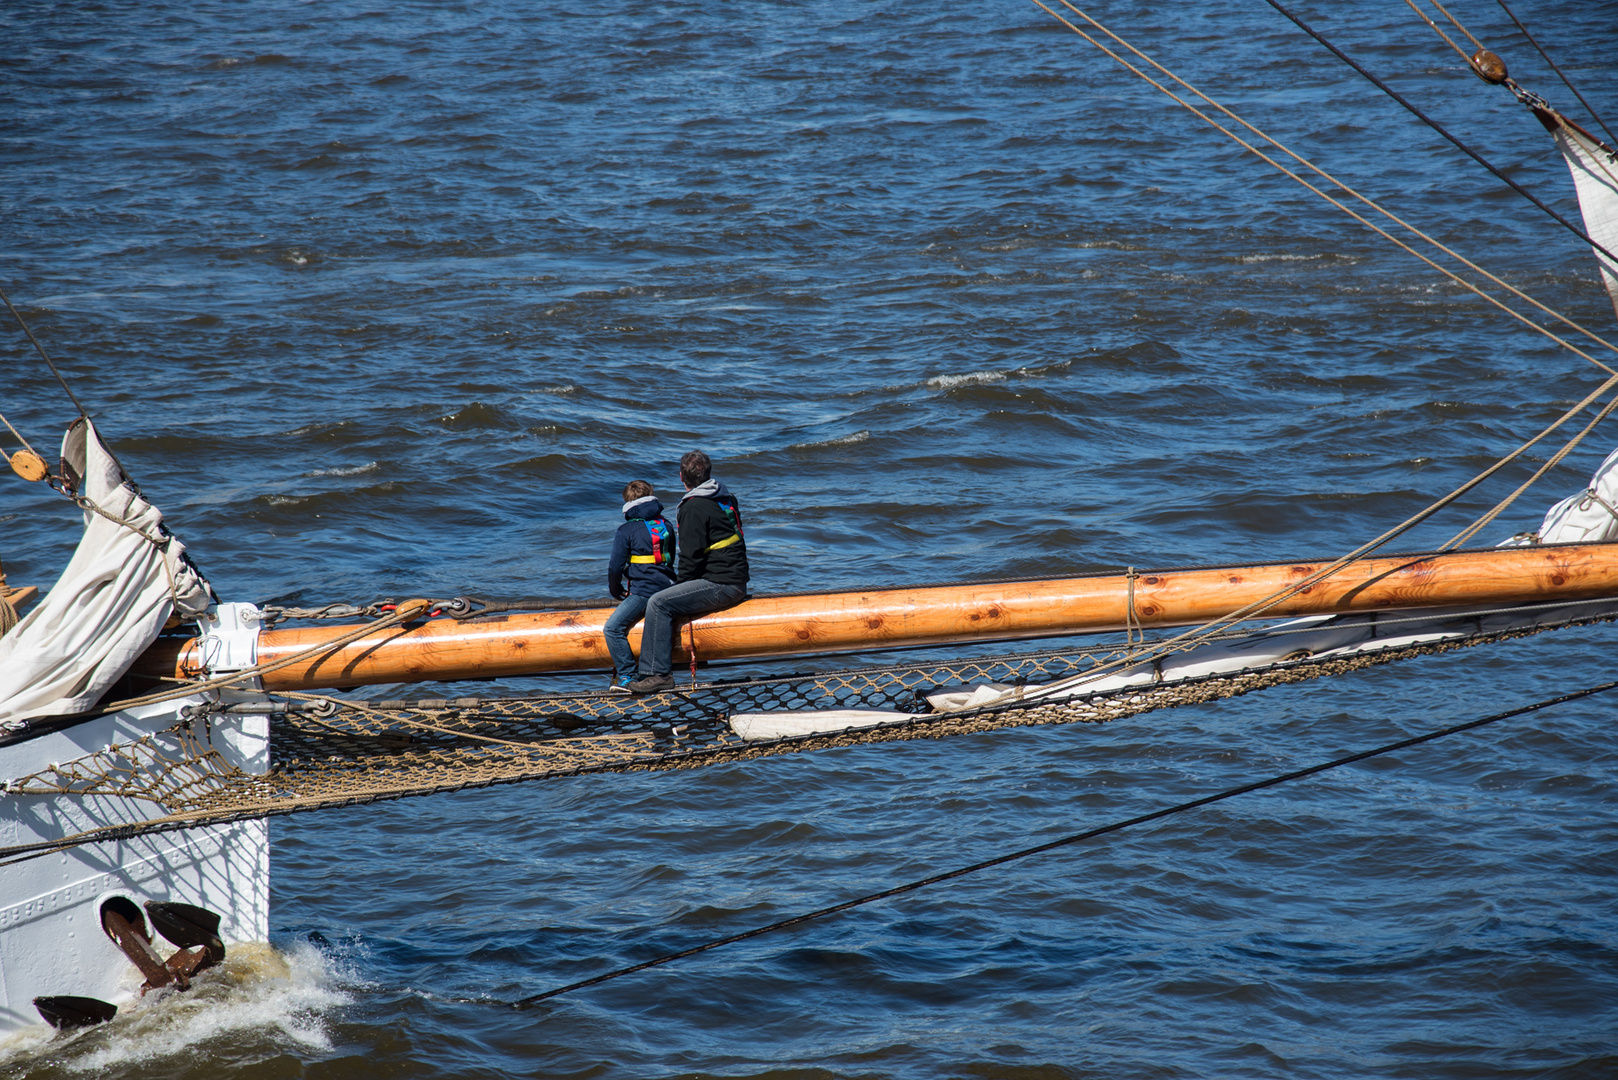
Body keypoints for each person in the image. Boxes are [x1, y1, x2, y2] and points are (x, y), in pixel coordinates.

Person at [625, 450, 750, 694]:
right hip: (735, 579)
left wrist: (678, 588)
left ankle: (657, 674)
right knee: (670, 598)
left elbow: (691, 560)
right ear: (708, 474)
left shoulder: (693, 507)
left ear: (681, 477)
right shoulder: (724, 496)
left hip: (722, 584)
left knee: (659, 603)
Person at [603, 480, 677, 692]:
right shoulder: (666, 525)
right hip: (669, 587)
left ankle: (627, 676)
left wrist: (616, 590)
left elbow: (615, 566)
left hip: (644, 591)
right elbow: (670, 559)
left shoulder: (626, 530)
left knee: (613, 628)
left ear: (627, 502)